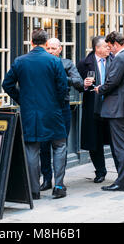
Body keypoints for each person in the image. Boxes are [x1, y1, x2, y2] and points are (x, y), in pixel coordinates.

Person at [2, 29, 68, 200]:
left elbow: (7, 84)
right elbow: (62, 88)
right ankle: (59, 186)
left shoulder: (20, 61)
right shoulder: (54, 61)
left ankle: (33, 190)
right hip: (53, 111)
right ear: (46, 44)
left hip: (30, 112)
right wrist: (57, 104)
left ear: (31, 42)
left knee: (32, 149)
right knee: (59, 146)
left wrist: (22, 100)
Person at [93, 31, 124, 192]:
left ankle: (121, 183)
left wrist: (100, 88)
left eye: (109, 46)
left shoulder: (120, 58)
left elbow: (111, 81)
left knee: (121, 147)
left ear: (116, 44)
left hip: (118, 109)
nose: (109, 50)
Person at [40, 38, 83, 192]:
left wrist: (63, 79)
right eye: (48, 48)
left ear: (60, 49)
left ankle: (60, 182)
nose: (51, 51)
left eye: (53, 48)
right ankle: (46, 179)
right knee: (44, 145)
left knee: (60, 145)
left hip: (62, 107)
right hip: (43, 107)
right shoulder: (41, 63)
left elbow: (79, 82)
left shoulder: (67, 64)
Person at [77, 36, 119, 183]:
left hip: (112, 108)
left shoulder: (115, 60)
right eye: (106, 47)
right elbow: (77, 85)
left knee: (116, 142)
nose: (109, 49)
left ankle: (122, 173)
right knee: (94, 142)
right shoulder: (84, 63)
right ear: (98, 48)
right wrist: (84, 84)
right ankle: (100, 171)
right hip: (92, 109)